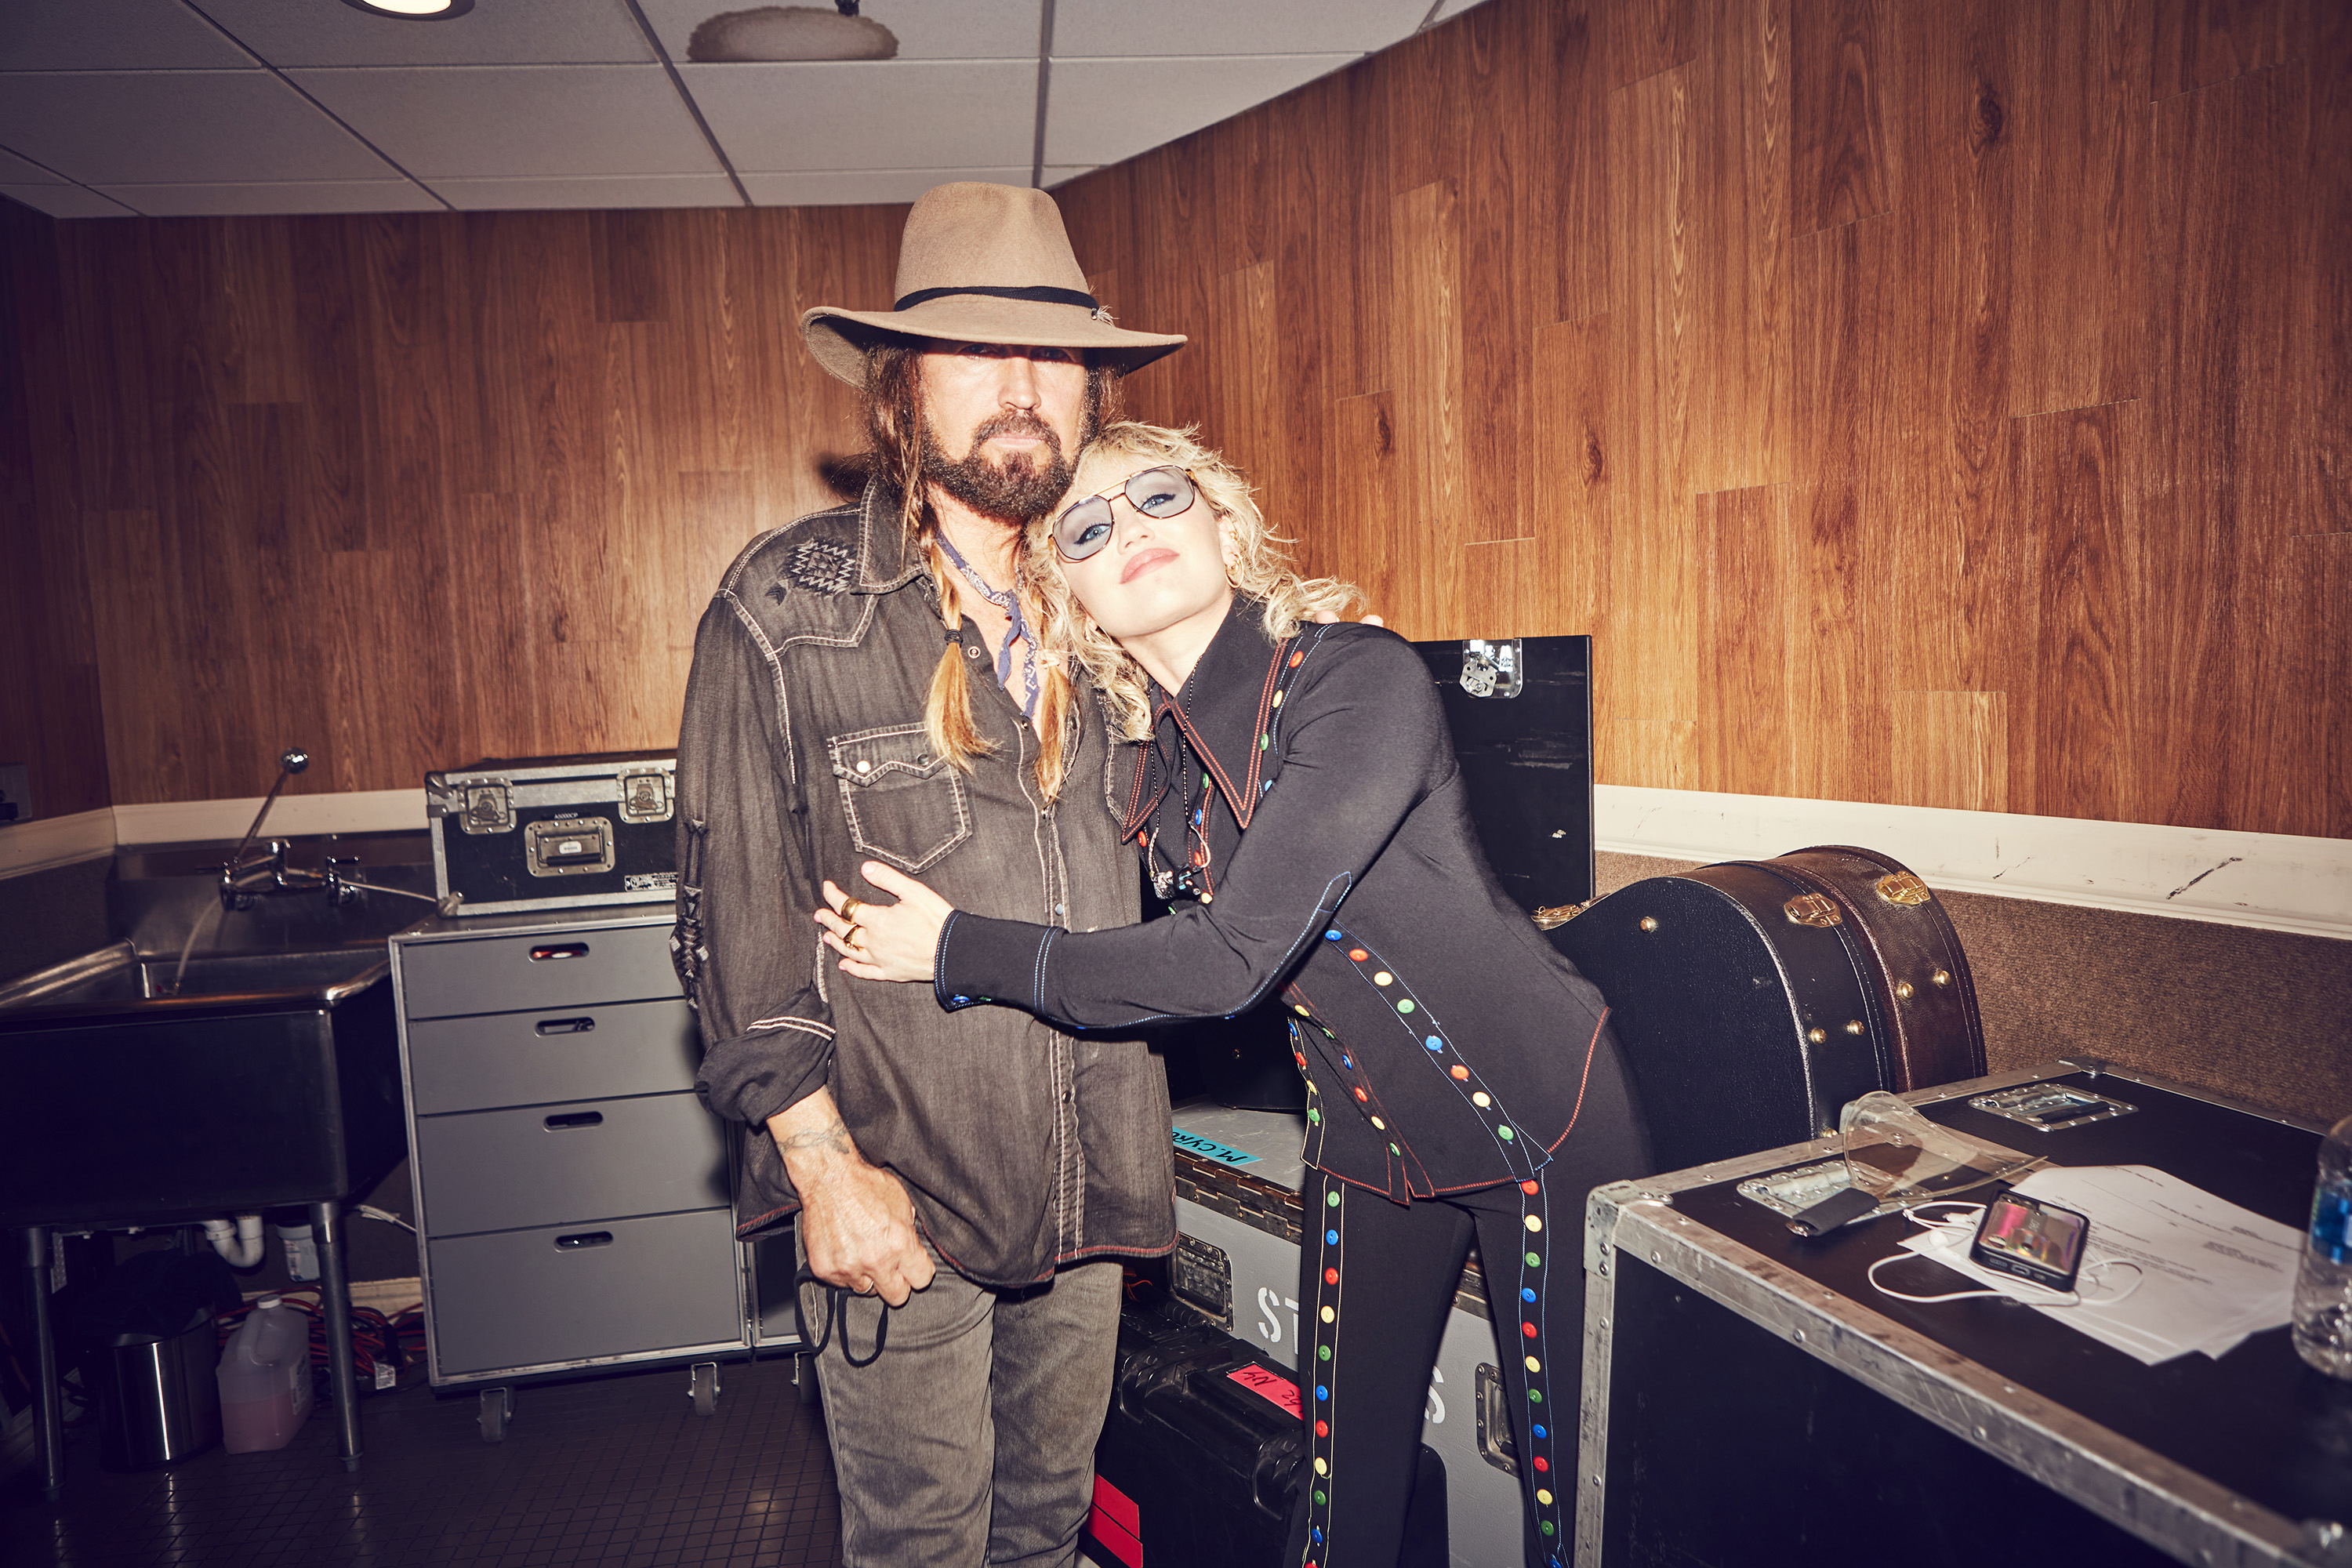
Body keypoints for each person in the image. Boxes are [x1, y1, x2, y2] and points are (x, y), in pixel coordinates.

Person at [816, 422, 1655, 1568]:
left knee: (1580, 1520)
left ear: (1223, 520)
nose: (1135, 532)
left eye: (1160, 496)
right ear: (1066, 593)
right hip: (1367, 1138)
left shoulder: (1358, 679)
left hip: (1542, 1114)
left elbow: (1227, 960)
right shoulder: (1153, 760)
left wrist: (956, 949)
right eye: (1089, 526)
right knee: (1337, 1498)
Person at [671, 183, 1189, 1568]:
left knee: (1048, 1531)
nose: (1022, 390)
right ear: (903, 393)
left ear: (1091, 394)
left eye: (1055, 358)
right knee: (921, 1547)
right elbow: (732, 932)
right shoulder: (787, 612)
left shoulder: (1126, 600)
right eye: (978, 355)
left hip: (1095, 1190)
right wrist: (822, 1169)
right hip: (906, 1192)